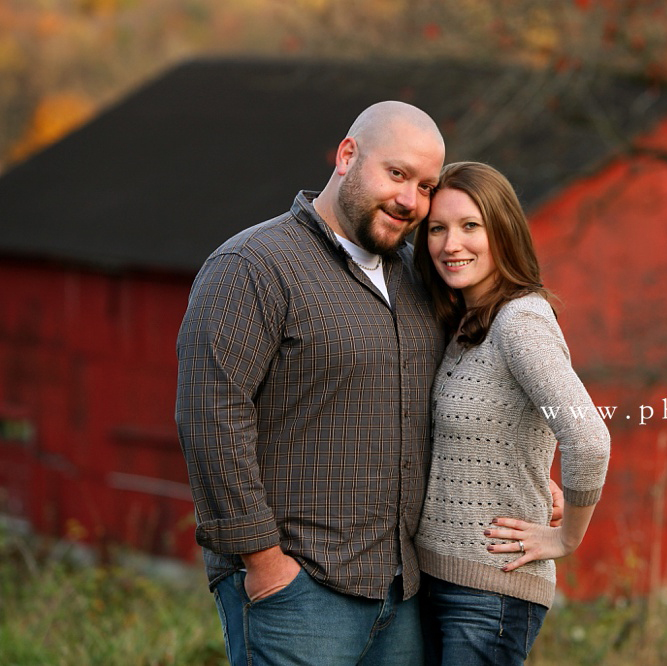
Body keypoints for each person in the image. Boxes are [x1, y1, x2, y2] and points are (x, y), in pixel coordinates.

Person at [175, 101, 447, 666]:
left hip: (405, 594)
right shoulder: (253, 265)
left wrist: (528, 467)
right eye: (396, 174)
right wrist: (266, 566)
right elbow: (211, 418)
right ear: (348, 156)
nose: (409, 201)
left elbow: (465, 390)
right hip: (299, 592)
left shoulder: (421, 279)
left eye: (425, 187)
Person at [413, 161, 611, 665]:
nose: (450, 244)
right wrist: (528, 473)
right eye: (437, 228)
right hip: (439, 580)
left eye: (469, 226)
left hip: (490, 595)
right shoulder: (468, 321)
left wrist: (566, 538)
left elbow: (588, 436)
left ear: (502, 229)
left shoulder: (519, 321)